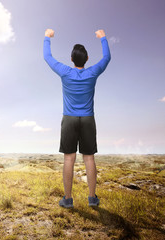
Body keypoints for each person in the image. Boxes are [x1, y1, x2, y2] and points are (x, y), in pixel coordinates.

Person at [43, 29, 111, 208]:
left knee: (69, 159)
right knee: (89, 158)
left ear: (71, 59)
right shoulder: (92, 72)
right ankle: (92, 199)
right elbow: (106, 58)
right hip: (88, 119)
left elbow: (47, 57)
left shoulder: (65, 72)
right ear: (87, 59)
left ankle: (67, 199)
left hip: (69, 119)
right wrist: (103, 37)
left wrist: (47, 37)